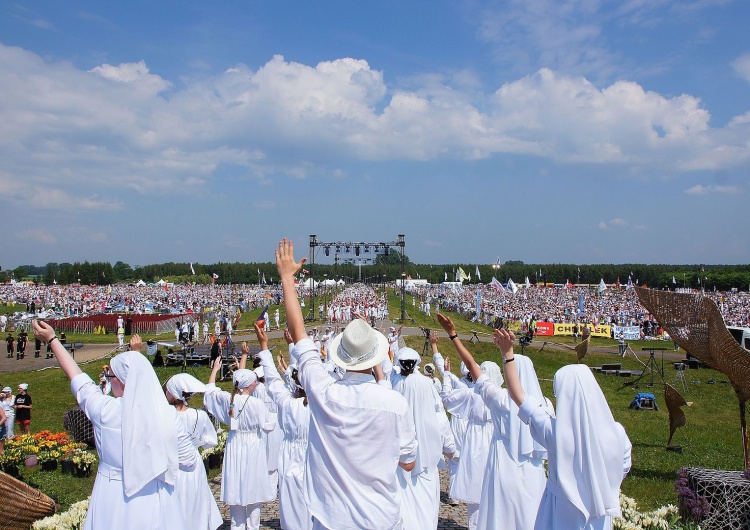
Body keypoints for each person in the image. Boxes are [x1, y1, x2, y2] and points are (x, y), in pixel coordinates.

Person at [276, 238, 417, 530]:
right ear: (378, 354)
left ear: (339, 354)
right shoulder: (395, 404)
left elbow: (300, 337)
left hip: (332, 520)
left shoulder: (323, 391)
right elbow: (409, 463)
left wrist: (288, 279)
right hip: (382, 518)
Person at [33, 320, 197, 530]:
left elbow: (77, 378)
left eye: (111, 377)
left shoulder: (105, 410)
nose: (109, 380)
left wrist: (52, 339)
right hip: (156, 498)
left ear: (121, 382)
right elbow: (189, 461)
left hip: (111, 496)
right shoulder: (169, 415)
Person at [496, 327, 632, 530]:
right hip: (600, 515)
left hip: (559, 513)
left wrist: (507, 355)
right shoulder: (618, 433)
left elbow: (518, 395)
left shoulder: (556, 433)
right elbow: (623, 468)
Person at [437, 312, 547, 530]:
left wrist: (453, 335)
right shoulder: (544, 407)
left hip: (504, 469)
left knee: (499, 518)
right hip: (533, 473)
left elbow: (472, 366)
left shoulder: (501, 401)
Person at [203, 356, 276, 530]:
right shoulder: (257, 404)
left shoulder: (230, 399)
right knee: (254, 489)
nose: (256, 384)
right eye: (254, 382)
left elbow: (210, 393)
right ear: (247, 384)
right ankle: (253, 526)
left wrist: (214, 371)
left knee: (236, 487)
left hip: (235, 444)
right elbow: (269, 425)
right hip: (252, 445)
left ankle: (237, 525)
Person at [255, 323, 313, 530]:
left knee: (291, 504)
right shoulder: (319, 406)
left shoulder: (288, 403)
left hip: (290, 456)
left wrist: (264, 347)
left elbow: (272, 380)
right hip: (312, 457)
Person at [164, 374, 224, 530]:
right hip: (194, 463)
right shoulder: (199, 415)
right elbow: (210, 441)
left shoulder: (167, 416)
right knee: (195, 500)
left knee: (176, 500)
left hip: (171, 463)